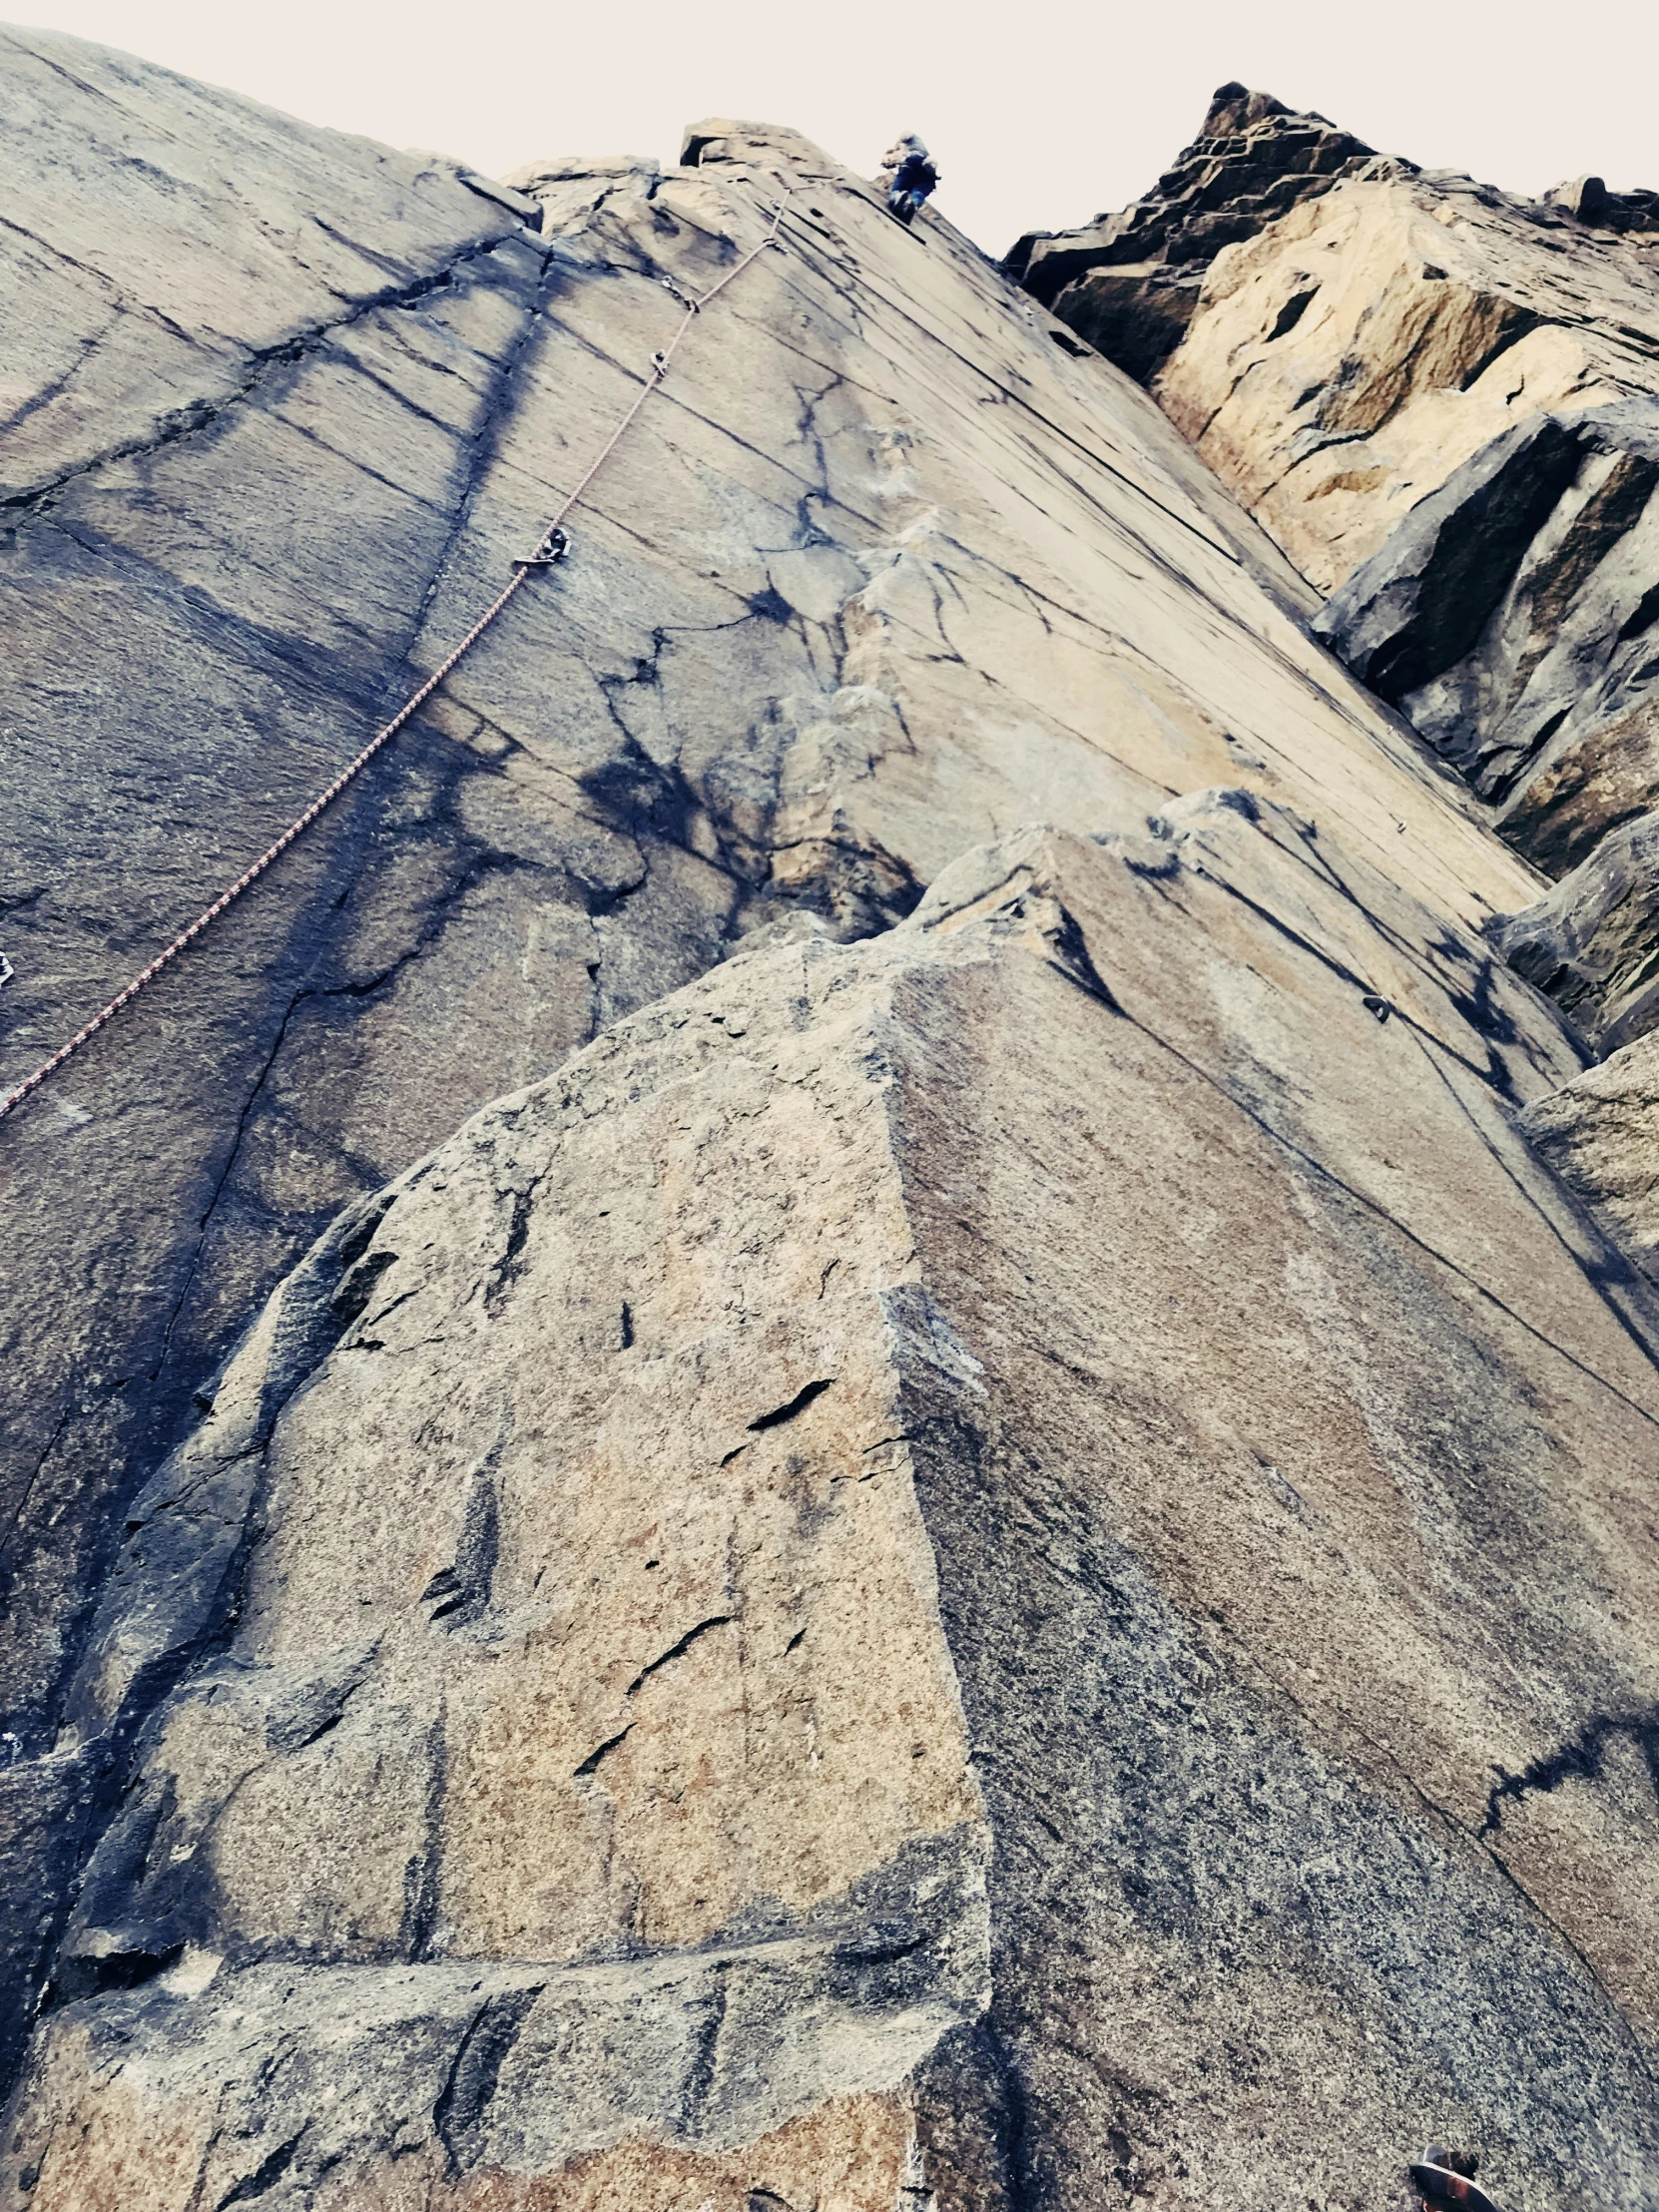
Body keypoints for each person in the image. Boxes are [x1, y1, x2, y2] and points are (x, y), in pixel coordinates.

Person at [881, 135, 938, 226]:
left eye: (889, 159)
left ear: (894, 150)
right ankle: (913, 204)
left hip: (911, 163)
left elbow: (907, 134)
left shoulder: (906, 147)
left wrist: (897, 144)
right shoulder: (901, 161)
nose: (890, 162)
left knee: (897, 189)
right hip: (928, 176)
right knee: (918, 193)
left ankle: (896, 198)